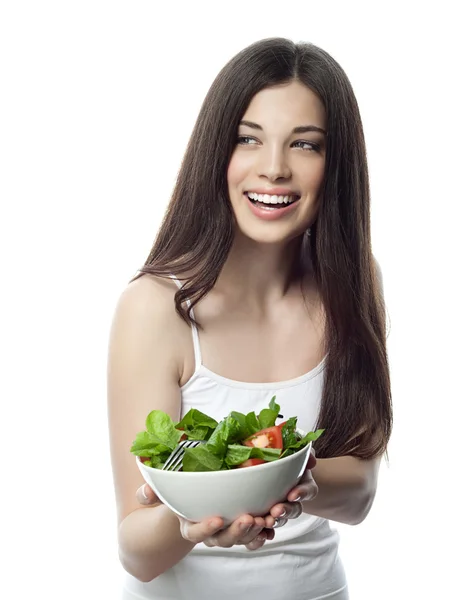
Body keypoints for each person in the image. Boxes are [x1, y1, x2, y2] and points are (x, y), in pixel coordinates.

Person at [107, 37, 393, 600]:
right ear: (217, 151)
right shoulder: (155, 307)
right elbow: (136, 549)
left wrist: (287, 475)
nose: (274, 169)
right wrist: (198, 512)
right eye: (248, 139)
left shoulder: (356, 283)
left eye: (305, 145)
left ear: (334, 166)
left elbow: (360, 494)